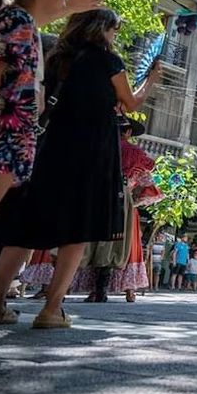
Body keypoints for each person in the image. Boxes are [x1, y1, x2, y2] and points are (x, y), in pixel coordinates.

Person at [0, 8, 159, 329]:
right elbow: (130, 102)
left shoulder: (58, 57)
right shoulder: (107, 60)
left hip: (50, 147)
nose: (115, 36)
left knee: (24, 227)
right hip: (91, 150)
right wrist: (151, 81)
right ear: (101, 29)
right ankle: (51, 309)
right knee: (78, 228)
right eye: (114, 30)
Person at [0, 0, 102, 250]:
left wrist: (70, 5)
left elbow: (36, 20)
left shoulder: (17, 20)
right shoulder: (18, 20)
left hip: (4, 140)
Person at [74, 116, 154, 303]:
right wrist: (133, 194)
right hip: (119, 195)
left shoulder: (97, 145)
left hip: (94, 194)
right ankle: (102, 290)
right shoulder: (135, 152)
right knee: (114, 241)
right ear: (127, 132)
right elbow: (147, 183)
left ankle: (93, 290)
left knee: (92, 239)